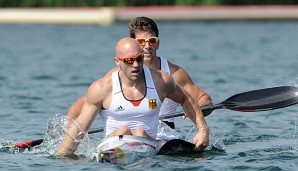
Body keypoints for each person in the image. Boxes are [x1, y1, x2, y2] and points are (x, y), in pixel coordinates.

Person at [54, 38, 209, 156]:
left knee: (140, 132)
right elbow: (79, 129)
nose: (135, 65)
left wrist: (202, 129)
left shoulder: (161, 81)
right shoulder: (102, 88)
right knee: (124, 130)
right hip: (112, 147)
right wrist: (60, 157)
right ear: (117, 62)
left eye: (139, 59)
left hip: (148, 144)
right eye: (129, 61)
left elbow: (186, 99)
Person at [67, 17, 212, 129]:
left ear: (158, 44)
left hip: (165, 135)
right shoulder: (115, 75)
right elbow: (84, 104)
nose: (147, 46)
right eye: (141, 42)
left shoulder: (174, 74)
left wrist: (198, 109)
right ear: (133, 44)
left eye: (152, 41)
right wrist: (69, 124)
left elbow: (204, 99)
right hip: (130, 135)